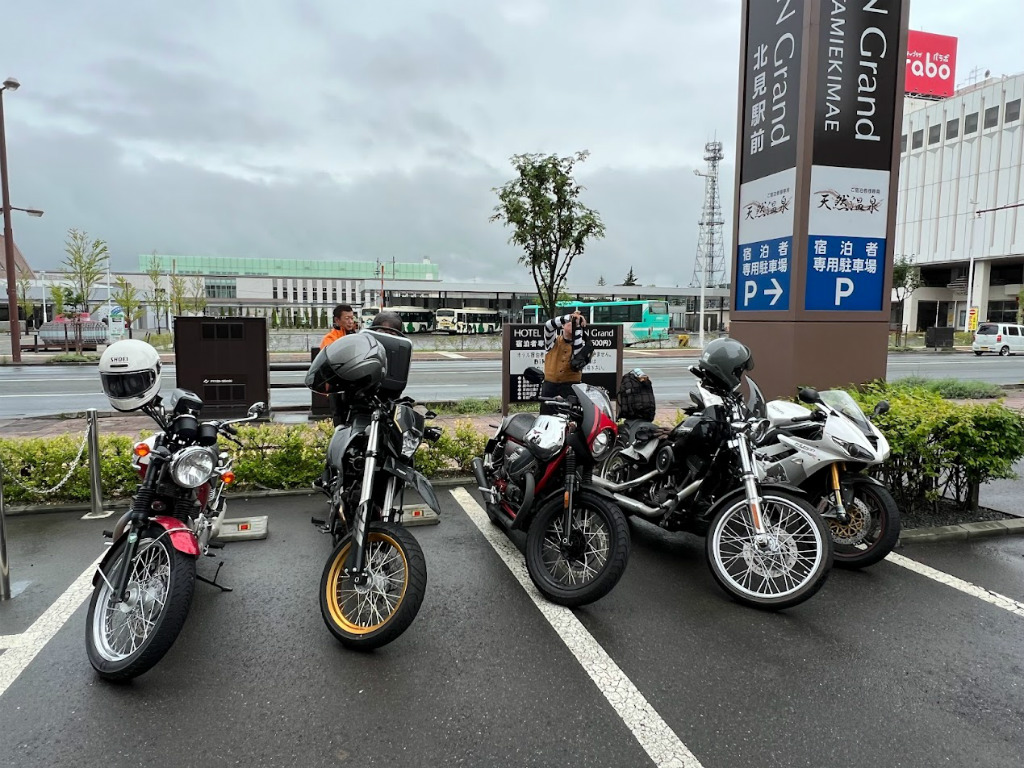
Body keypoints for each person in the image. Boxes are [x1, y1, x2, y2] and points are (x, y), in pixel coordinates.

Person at [541, 308, 587, 399]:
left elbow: (577, 354)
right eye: (569, 322)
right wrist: (569, 317)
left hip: (571, 387)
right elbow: (548, 325)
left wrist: (578, 326)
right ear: (562, 325)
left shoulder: (582, 344)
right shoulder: (553, 341)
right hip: (550, 386)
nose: (572, 323)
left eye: (575, 323)